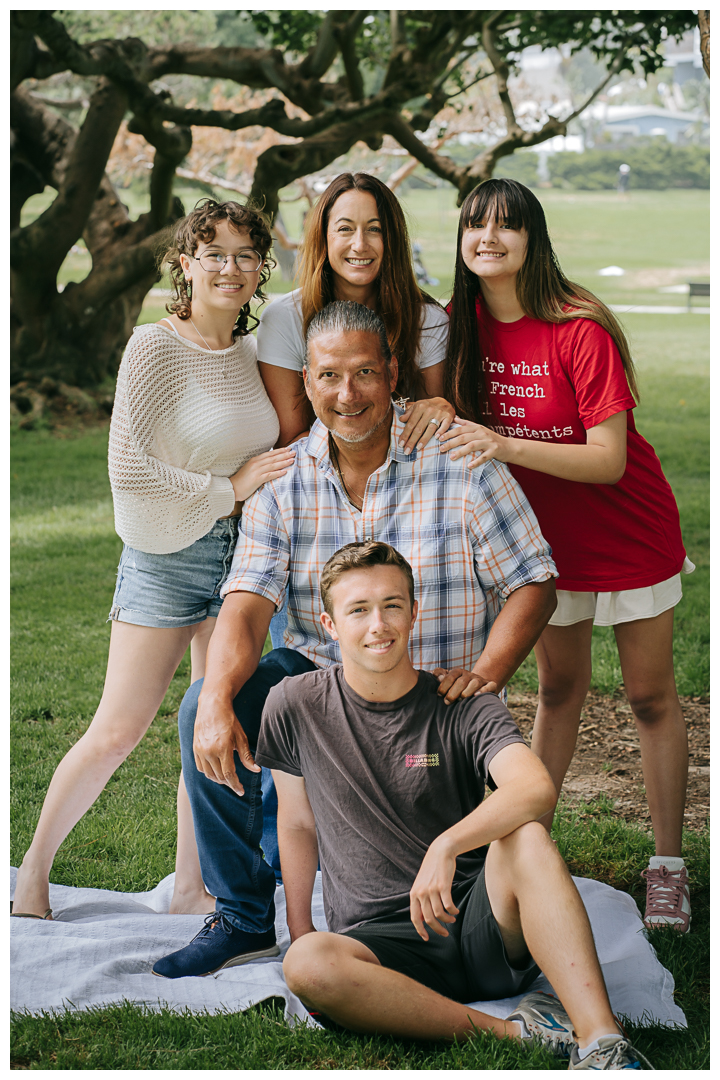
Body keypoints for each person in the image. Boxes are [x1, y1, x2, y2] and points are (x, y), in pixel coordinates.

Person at [151, 299, 557, 979]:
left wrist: (486, 673)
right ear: (306, 381)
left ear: (393, 371)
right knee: (204, 705)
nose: (348, 394)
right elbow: (248, 606)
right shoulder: (284, 483)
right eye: (330, 376)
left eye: (365, 373)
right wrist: (219, 695)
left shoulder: (459, 463)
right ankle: (248, 918)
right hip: (330, 699)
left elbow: (534, 581)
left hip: (436, 707)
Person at [260, 540, 653, 1070]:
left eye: (392, 605)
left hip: (478, 924)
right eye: (358, 610)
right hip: (380, 947)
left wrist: (447, 846)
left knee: (526, 834)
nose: (378, 624)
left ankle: (603, 1043)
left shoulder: (461, 702)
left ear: (414, 612)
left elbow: (533, 787)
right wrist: (302, 927)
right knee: (307, 964)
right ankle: (520, 1035)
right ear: (329, 625)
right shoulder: (294, 703)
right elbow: (297, 821)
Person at [11, 199, 297, 922]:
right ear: (184, 264)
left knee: (211, 729)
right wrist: (228, 488)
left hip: (241, 565)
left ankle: (191, 887)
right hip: (166, 557)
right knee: (118, 729)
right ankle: (32, 877)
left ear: (260, 267)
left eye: (244, 255)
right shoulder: (154, 346)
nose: (230, 268)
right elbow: (129, 468)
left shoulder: (250, 351)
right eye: (214, 253)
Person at [439, 177, 692, 932]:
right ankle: (528, 849)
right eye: (475, 225)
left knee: (649, 697)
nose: (488, 238)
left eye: (506, 226)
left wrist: (504, 442)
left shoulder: (578, 325)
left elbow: (610, 458)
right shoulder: (459, 327)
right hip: (544, 550)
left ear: (532, 238)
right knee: (558, 694)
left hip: (628, 533)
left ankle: (668, 868)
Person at [256, 172, 454, 448]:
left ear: (393, 238)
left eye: (375, 229)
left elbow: (431, 431)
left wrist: (439, 409)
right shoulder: (284, 318)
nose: (360, 245)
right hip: (316, 480)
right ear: (323, 236)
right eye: (345, 229)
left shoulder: (427, 320)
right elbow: (291, 440)